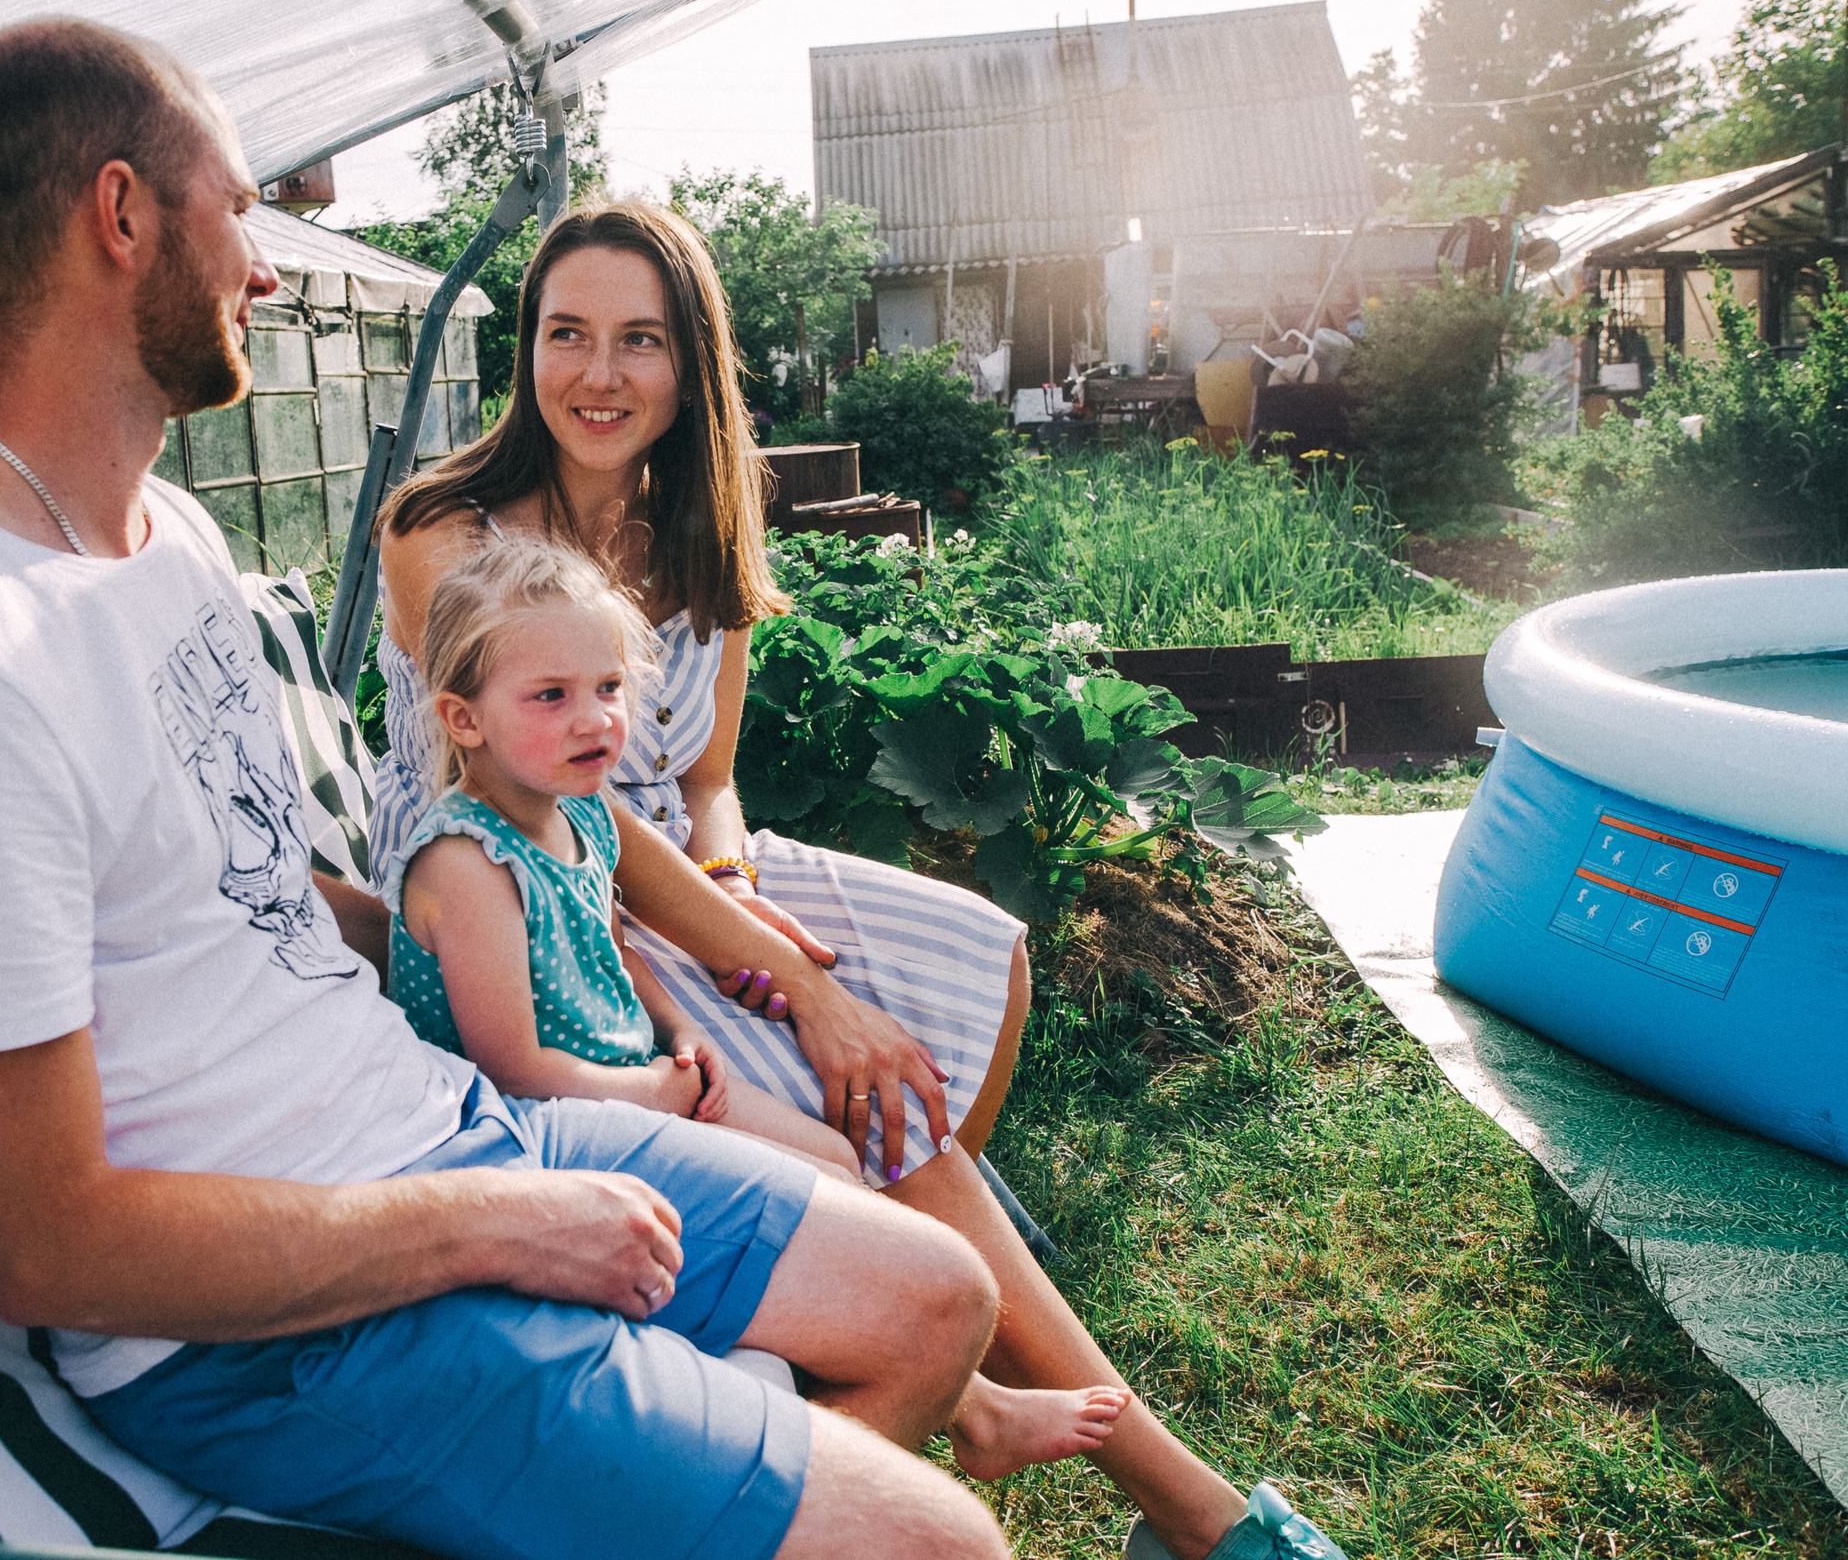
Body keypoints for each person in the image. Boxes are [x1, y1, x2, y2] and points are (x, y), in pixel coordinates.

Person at [0, 16, 1013, 1560]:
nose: (261, 262)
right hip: (275, 1333)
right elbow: (49, 1245)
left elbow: (247, 885)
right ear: (121, 217)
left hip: (435, 1125)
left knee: (941, 1295)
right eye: (236, 206)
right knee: (952, 1546)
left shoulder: (162, 539)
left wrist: (523, 947)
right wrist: (499, 1225)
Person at [377, 201, 1352, 1559]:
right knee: (884, 1099)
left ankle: (911, 1310)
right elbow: (564, 801)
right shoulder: (445, 526)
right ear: (526, 349)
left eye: (640, 340)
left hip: (677, 853)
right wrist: (773, 972)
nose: (599, 375)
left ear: (690, 361)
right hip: (535, 880)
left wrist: (734, 876)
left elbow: (703, 774)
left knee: (980, 947)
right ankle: (1175, 1495)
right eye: (567, 334)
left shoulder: (695, 525)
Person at [385, 532, 864, 1177]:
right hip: (538, 1128)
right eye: (551, 695)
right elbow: (511, 1069)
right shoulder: (467, 863)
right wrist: (653, 1094)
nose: (595, 719)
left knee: (834, 1154)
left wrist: (681, 1032)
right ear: (464, 719)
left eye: (608, 686)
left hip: (631, 1078)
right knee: (826, 1184)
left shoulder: (580, 812)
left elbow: (617, 956)